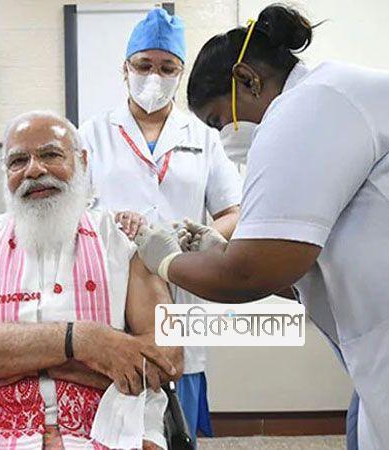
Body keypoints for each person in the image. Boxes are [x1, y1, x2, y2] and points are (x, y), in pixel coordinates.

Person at [133, 4, 389, 450]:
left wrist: (168, 260)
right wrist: (218, 252)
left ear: (247, 79)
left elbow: (249, 272)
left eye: (219, 120)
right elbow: (301, 272)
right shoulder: (331, 98)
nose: (224, 135)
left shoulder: (308, 106)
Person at [0, 111, 183, 450]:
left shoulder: (125, 240)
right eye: (18, 161)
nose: (34, 170)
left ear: (82, 162)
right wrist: (85, 341)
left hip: (111, 423)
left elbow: (169, 356)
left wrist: (9, 366)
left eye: (50, 154)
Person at [79, 9, 242, 444]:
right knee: (115, 409)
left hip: (183, 283)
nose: (155, 76)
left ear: (180, 73)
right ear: (125, 68)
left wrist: (201, 238)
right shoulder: (92, 134)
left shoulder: (204, 136)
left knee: (177, 403)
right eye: (144, 65)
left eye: (167, 68)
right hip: (113, 286)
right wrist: (110, 226)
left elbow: (233, 211)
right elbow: (73, 213)